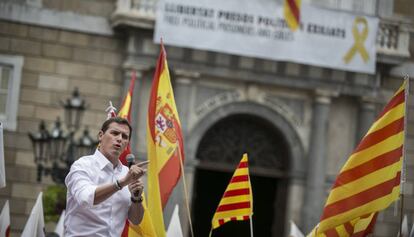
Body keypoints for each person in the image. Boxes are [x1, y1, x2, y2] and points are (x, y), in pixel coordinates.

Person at [64, 117, 147, 237]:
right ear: (100, 135)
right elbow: (87, 198)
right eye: (114, 133)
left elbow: (136, 220)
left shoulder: (126, 173)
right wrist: (121, 183)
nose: (119, 139)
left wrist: (136, 198)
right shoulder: (82, 165)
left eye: (124, 137)